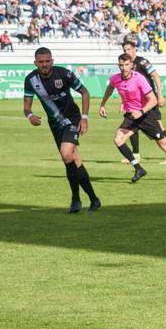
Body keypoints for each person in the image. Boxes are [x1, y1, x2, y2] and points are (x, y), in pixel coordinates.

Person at [99, 54, 166, 183]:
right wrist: (103, 104)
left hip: (146, 116)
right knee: (118, 139)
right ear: (118, 66)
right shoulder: (115, 79)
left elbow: (153, 100)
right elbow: (110, 88)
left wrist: (141, 112)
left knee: (165, 145)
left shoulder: (139, 78)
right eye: (121, 65)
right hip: (131, 116)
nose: (124, 68)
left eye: (126, 65)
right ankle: (138, 168)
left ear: (131, 65)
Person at [24, 47, 101, 213]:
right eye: (41, 62)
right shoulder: (31, 80)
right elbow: (26, 107)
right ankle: (94, 199)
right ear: (35, 63)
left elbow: (85, 93)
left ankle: (75, 199)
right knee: (75, 161)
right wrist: (30, 116)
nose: (44, 65)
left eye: (47, 61)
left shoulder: (64, 74)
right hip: (55, 125)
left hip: (72, 120)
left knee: (66, 155)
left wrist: (84, 118)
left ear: (52, 61)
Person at [120, 41, 166, 164]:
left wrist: (159, 94)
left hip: (149, 101)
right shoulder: (126, 65)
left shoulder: (142, 62)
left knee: (159, 126)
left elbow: (156, 76)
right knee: (132, 123)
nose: (126, 52)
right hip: (136, 103)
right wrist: (124, 102)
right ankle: (136, 155)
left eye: (128, 49)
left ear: (134, 49)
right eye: (124, 50)